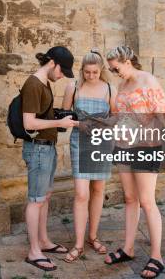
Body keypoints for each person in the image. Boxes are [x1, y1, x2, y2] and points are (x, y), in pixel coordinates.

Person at [104, 46, 165, 279]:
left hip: (146, 147)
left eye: (116, 68)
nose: (115, 72)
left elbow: (162, 115)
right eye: (112, 70)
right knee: (130, 198)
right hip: (123, 145)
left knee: (147, 201)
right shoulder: (121, 86)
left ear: (127, 61)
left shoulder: (148, 80)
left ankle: (156, 256)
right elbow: (120, 116)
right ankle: (128, 248)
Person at [21, 46, 79, 272]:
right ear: (52, 63)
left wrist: (59, 116)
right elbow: (29, 123)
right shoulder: (34, 84)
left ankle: (43, 241)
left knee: (44, 196)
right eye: (62, 70)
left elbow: (41, 116)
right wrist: (59, 123)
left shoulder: (44, 84)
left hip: (46, 148)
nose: (62, 75)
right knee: (36, 199)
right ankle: (33, 251)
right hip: (37, 150)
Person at [60, 49, 116, 263]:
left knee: (98, 189)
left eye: (95, 72)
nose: (91, 76)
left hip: (102, 143)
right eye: (87, 72)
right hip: (79, 143)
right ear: (82, 70)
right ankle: (78, 244)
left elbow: (117, 117)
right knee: (81, 194)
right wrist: (77, 123)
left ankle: (93, 236)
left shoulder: (109, 88)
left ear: (100, 70)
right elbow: (64, 118)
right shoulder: (73, 87)